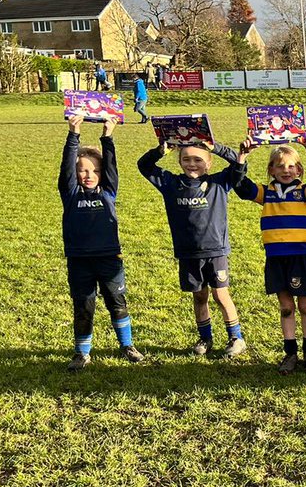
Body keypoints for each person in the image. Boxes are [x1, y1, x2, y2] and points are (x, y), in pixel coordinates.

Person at [137, 137, 247, 358]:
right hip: (188, 252)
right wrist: (161, 150)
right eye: (186, 159)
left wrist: (216, 147)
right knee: (199, 297)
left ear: (209, 163)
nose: (192, 164)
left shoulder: (220, 182)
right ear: (179, 162)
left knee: (221, 295)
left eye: (198, 159)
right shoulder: (170, 183)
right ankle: (205, 337)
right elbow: (144, 166)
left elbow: (238, 163)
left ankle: (236, 337)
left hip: (215, 251)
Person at [233, 138, 306, 374]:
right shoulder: (266, 193)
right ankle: (290, 353)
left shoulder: (304, 192)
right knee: (286, 307)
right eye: (280, 166)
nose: (286, 171)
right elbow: (240, 186)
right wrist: (242, 157)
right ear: (271, 170)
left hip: (302, 257)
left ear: (299, 169)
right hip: (276, 258)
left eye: (291, 166)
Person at [58, 114, 144, 371]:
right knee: (84, 306)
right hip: (79, 260)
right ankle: (82, 353)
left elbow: (111, 168)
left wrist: (108, 136)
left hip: (109, 259)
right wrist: (74, 133)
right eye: (82, 169)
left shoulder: (108, 191)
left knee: (117, 303)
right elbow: (66, 168)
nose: (89, 174)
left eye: (94, 170)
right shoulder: (70, 193)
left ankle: (127, 345)